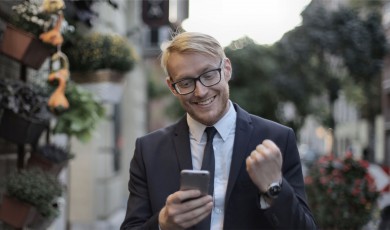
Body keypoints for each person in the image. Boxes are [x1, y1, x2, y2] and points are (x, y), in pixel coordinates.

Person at [120, 31, 317, 230]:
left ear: (227, 69)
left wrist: (275, 187)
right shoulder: (148, 150)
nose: (201, 91)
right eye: (186, 82)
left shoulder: (277, 139)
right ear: (172, 87)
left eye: (209, 75)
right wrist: (162, 223)